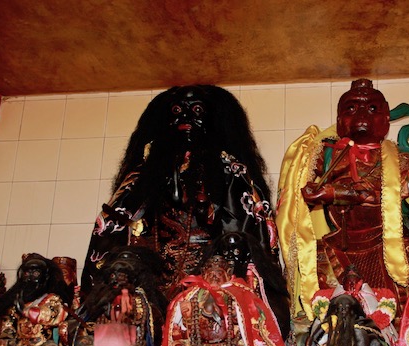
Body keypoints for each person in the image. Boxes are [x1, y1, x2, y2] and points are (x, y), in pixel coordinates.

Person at [277, 78, 409, 321]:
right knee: (330, 316)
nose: (362, 114)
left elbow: (382, 195)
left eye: (372, 108)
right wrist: (308, 191)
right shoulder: (323, 157)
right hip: (338, 249)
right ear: (339, 120)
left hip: (391, 250)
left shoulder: (407, 162)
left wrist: (335, 193)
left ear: (386, 120)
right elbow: (296, 196)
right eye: (351, 108)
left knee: (405, 315)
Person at [81, 85, 278, 296]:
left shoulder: (228, 171)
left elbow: (244, 228)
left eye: (197, 110)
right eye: (177, 110)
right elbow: (115, 224)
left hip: (209, 280)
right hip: (152, 280)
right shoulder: (146, 174)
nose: (185, 117)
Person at [162, 254, 294, 346]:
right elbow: (179, 327)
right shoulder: (191, 295)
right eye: (210, 273)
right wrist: (185, 318)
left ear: (228, 274)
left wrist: (236, 315)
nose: (214, 277)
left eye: (218, 273)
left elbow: (250, 322)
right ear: (203, 274)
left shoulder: (239, 294)